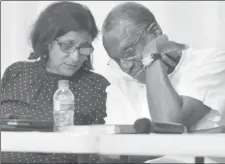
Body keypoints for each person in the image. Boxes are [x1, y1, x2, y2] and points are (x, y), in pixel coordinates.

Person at [102, 2, 225, 163]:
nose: (126, 66)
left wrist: (151, 56)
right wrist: (193, 141)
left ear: (155, 32)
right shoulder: (120, 87)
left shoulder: (210, 62)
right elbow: (112, 154)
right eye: (117, 60)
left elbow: (168, 121)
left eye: (129, 51)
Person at [1, 2, 109, 163]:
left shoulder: (96, 86)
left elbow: (98, 150)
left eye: (84, 48)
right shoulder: (16, 73)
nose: (75, 57)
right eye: (67, 46)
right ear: (48, 40)